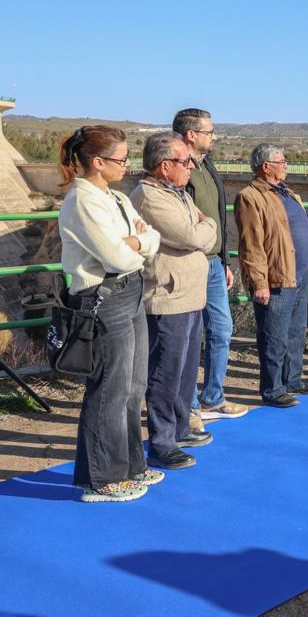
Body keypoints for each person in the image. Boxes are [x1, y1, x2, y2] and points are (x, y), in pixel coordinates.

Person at [57, 126, 161, 502]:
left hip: (129, 291)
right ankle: (99, 478)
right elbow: (116, 257)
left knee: (133, 385)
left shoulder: (115, 198)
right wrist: (137, 244)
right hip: (103, 297)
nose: (128, 164)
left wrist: (137, 242)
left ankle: (130, 464)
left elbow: (153, 238)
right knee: (109, 388)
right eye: (121, 159)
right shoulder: (81, 201)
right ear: (98, 163)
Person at [131, 133, 218, 470]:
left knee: (184, 371)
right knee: (165, 373)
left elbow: (209, 227)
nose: (191, 166)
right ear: (165, 166)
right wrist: (202, 227)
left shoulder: (177, 194)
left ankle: (180, 427)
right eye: (185, 162)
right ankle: (162, 442)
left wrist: (203, 225)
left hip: (189, 295)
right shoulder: (151, 199)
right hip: (167, 297)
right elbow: (193, 235)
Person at [172, 108, 248, 422]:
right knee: (190, 336)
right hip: (190, 263)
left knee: (222, 329)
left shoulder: (207, 165)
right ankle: (187, 407)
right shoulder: (178, 168)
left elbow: (218, 215)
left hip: (214, 263)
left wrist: (225, 259)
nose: (213, 137)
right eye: (209, 132)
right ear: (191, 134)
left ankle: (213, 398)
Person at [234, 144, 308, 407]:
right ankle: (272, 389)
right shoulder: (250, 196)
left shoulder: (287, 193)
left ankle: (292, 380)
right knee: (274, 335)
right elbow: (252, 244)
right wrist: (259, 283)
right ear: (265, 166)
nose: (286, 166)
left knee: (296, 331)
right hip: (275, 277)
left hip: (298, 274)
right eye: (281, 162)